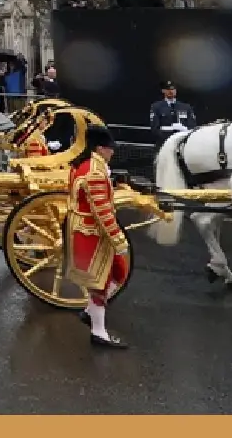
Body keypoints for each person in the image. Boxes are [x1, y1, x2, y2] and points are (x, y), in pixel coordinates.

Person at [66, 124, 130, 348]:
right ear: (100, 149)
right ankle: (98, 332)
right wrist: (118, 239)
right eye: (109, 148)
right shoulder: (94, 171)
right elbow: (102, 211)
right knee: (101, 283)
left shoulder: (84, 165)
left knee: (118, 273)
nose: (112, 152)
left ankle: (90, 312)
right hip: (92, 233)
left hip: (88, 229)